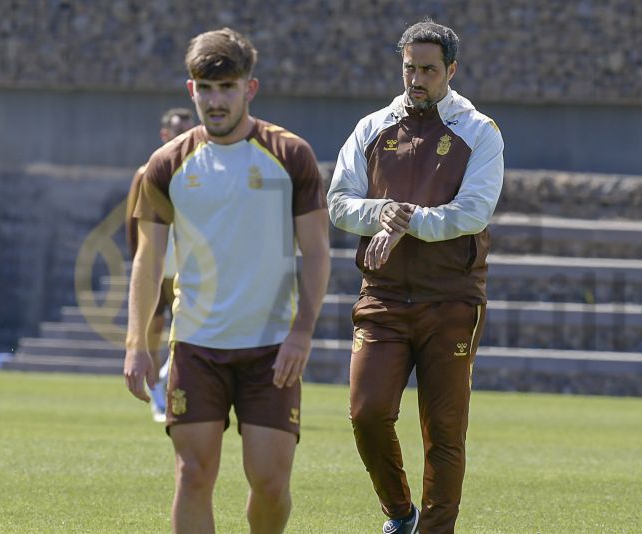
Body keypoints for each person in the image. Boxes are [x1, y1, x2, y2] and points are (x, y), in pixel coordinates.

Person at [123, 28, 330, 533]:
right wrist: (136, 344)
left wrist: (302, 331)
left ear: (249, 89)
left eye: (227, 88)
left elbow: (318, 251)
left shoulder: (291, 155)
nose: (216, 101)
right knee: (192, 474)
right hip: (196, 346)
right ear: (191, 89)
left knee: (271, 482)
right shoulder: (166, 164)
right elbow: (147, 261)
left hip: (272, 349)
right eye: (205, 89)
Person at [328, 19, 504, 534]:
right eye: (410, 68)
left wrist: (408, 221)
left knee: (444, 430)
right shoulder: (372, 128)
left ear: (451, 69)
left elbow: (473, 212)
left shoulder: (479, 131)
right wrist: (386, 212)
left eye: (429, 69)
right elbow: (339, 203)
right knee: (366, 414)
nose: (417, 79)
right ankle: (400, 512)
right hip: (382, 296)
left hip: (451, 299)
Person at [125, 107, 195, 422]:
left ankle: (169, 380)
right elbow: (133, 224)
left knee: (187, 331)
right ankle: (156, 396)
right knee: (153, 332)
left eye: (188, 129)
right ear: (164, 135)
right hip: (158, 269)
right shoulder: (147, 173)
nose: (184, 136)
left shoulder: (199, 174)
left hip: (187, 270)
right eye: (178, 130)